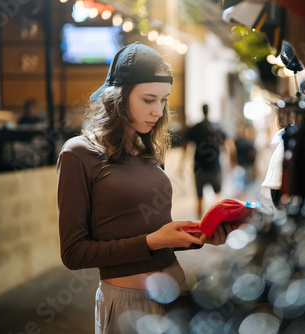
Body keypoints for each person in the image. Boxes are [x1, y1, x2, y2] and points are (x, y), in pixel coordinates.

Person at [56, 42, 232, 334]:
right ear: (119, 98)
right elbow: (74, 253)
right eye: (149, 99)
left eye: (163, 100)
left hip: (176, 295)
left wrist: (200, 236)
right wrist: (151, 242)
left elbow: (153, 231)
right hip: (129, 306)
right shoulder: (79, 153)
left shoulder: (147, 150)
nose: (158, 111)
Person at [183, 104, 236, 217]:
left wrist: (182, 163)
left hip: (198, 168)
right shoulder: (218, 127)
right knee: (218, 196)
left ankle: (199, 222)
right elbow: (230, 146)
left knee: (199, 198)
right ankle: (217, 220)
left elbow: (186, 145)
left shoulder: (196, 127)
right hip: (214, 167)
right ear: (209, 111)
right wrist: (231, 163)